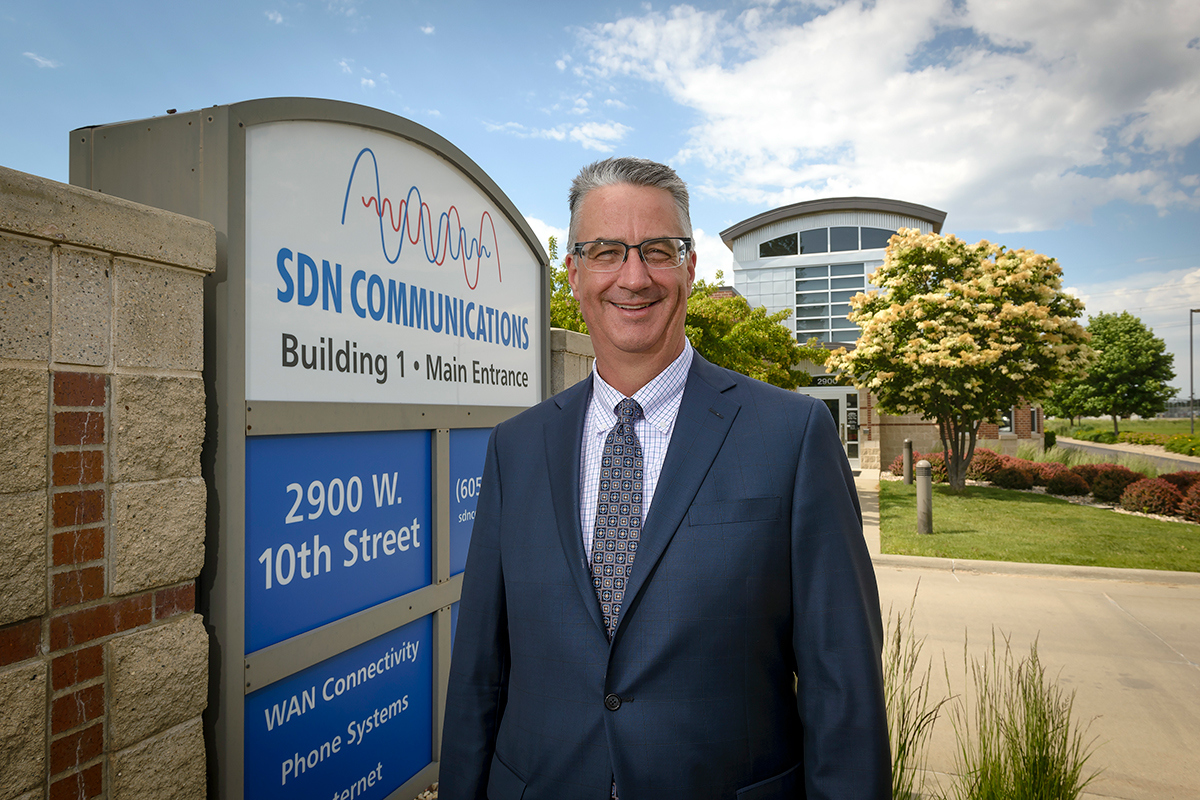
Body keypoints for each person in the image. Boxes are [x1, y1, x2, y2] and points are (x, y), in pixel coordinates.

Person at [440, 157, 889, 800]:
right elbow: (481, 671)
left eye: (657, 250)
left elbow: (842, 684)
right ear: (573, 273)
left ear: (690, 267)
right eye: (604, 251)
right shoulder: (517, 447)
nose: (633, 276)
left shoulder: (791, 435)